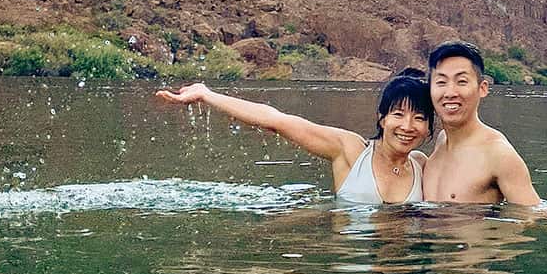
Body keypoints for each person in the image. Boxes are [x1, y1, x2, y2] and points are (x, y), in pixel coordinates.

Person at [155, 69, 434, 205]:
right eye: (398, 114)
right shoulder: (350, 149)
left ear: (429, 128)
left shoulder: (423, 166)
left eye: (419, 118)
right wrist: (207, 95)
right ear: (382, 118)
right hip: (351, 263)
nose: (407, 126)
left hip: (406, 265)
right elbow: (277, 120)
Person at [423, 42, 541, 206]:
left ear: (482, 88)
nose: (450, 93)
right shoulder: (441, 142)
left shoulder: (498, 154)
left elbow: (532, 217)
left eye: (462, 81)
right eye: (441, 82)